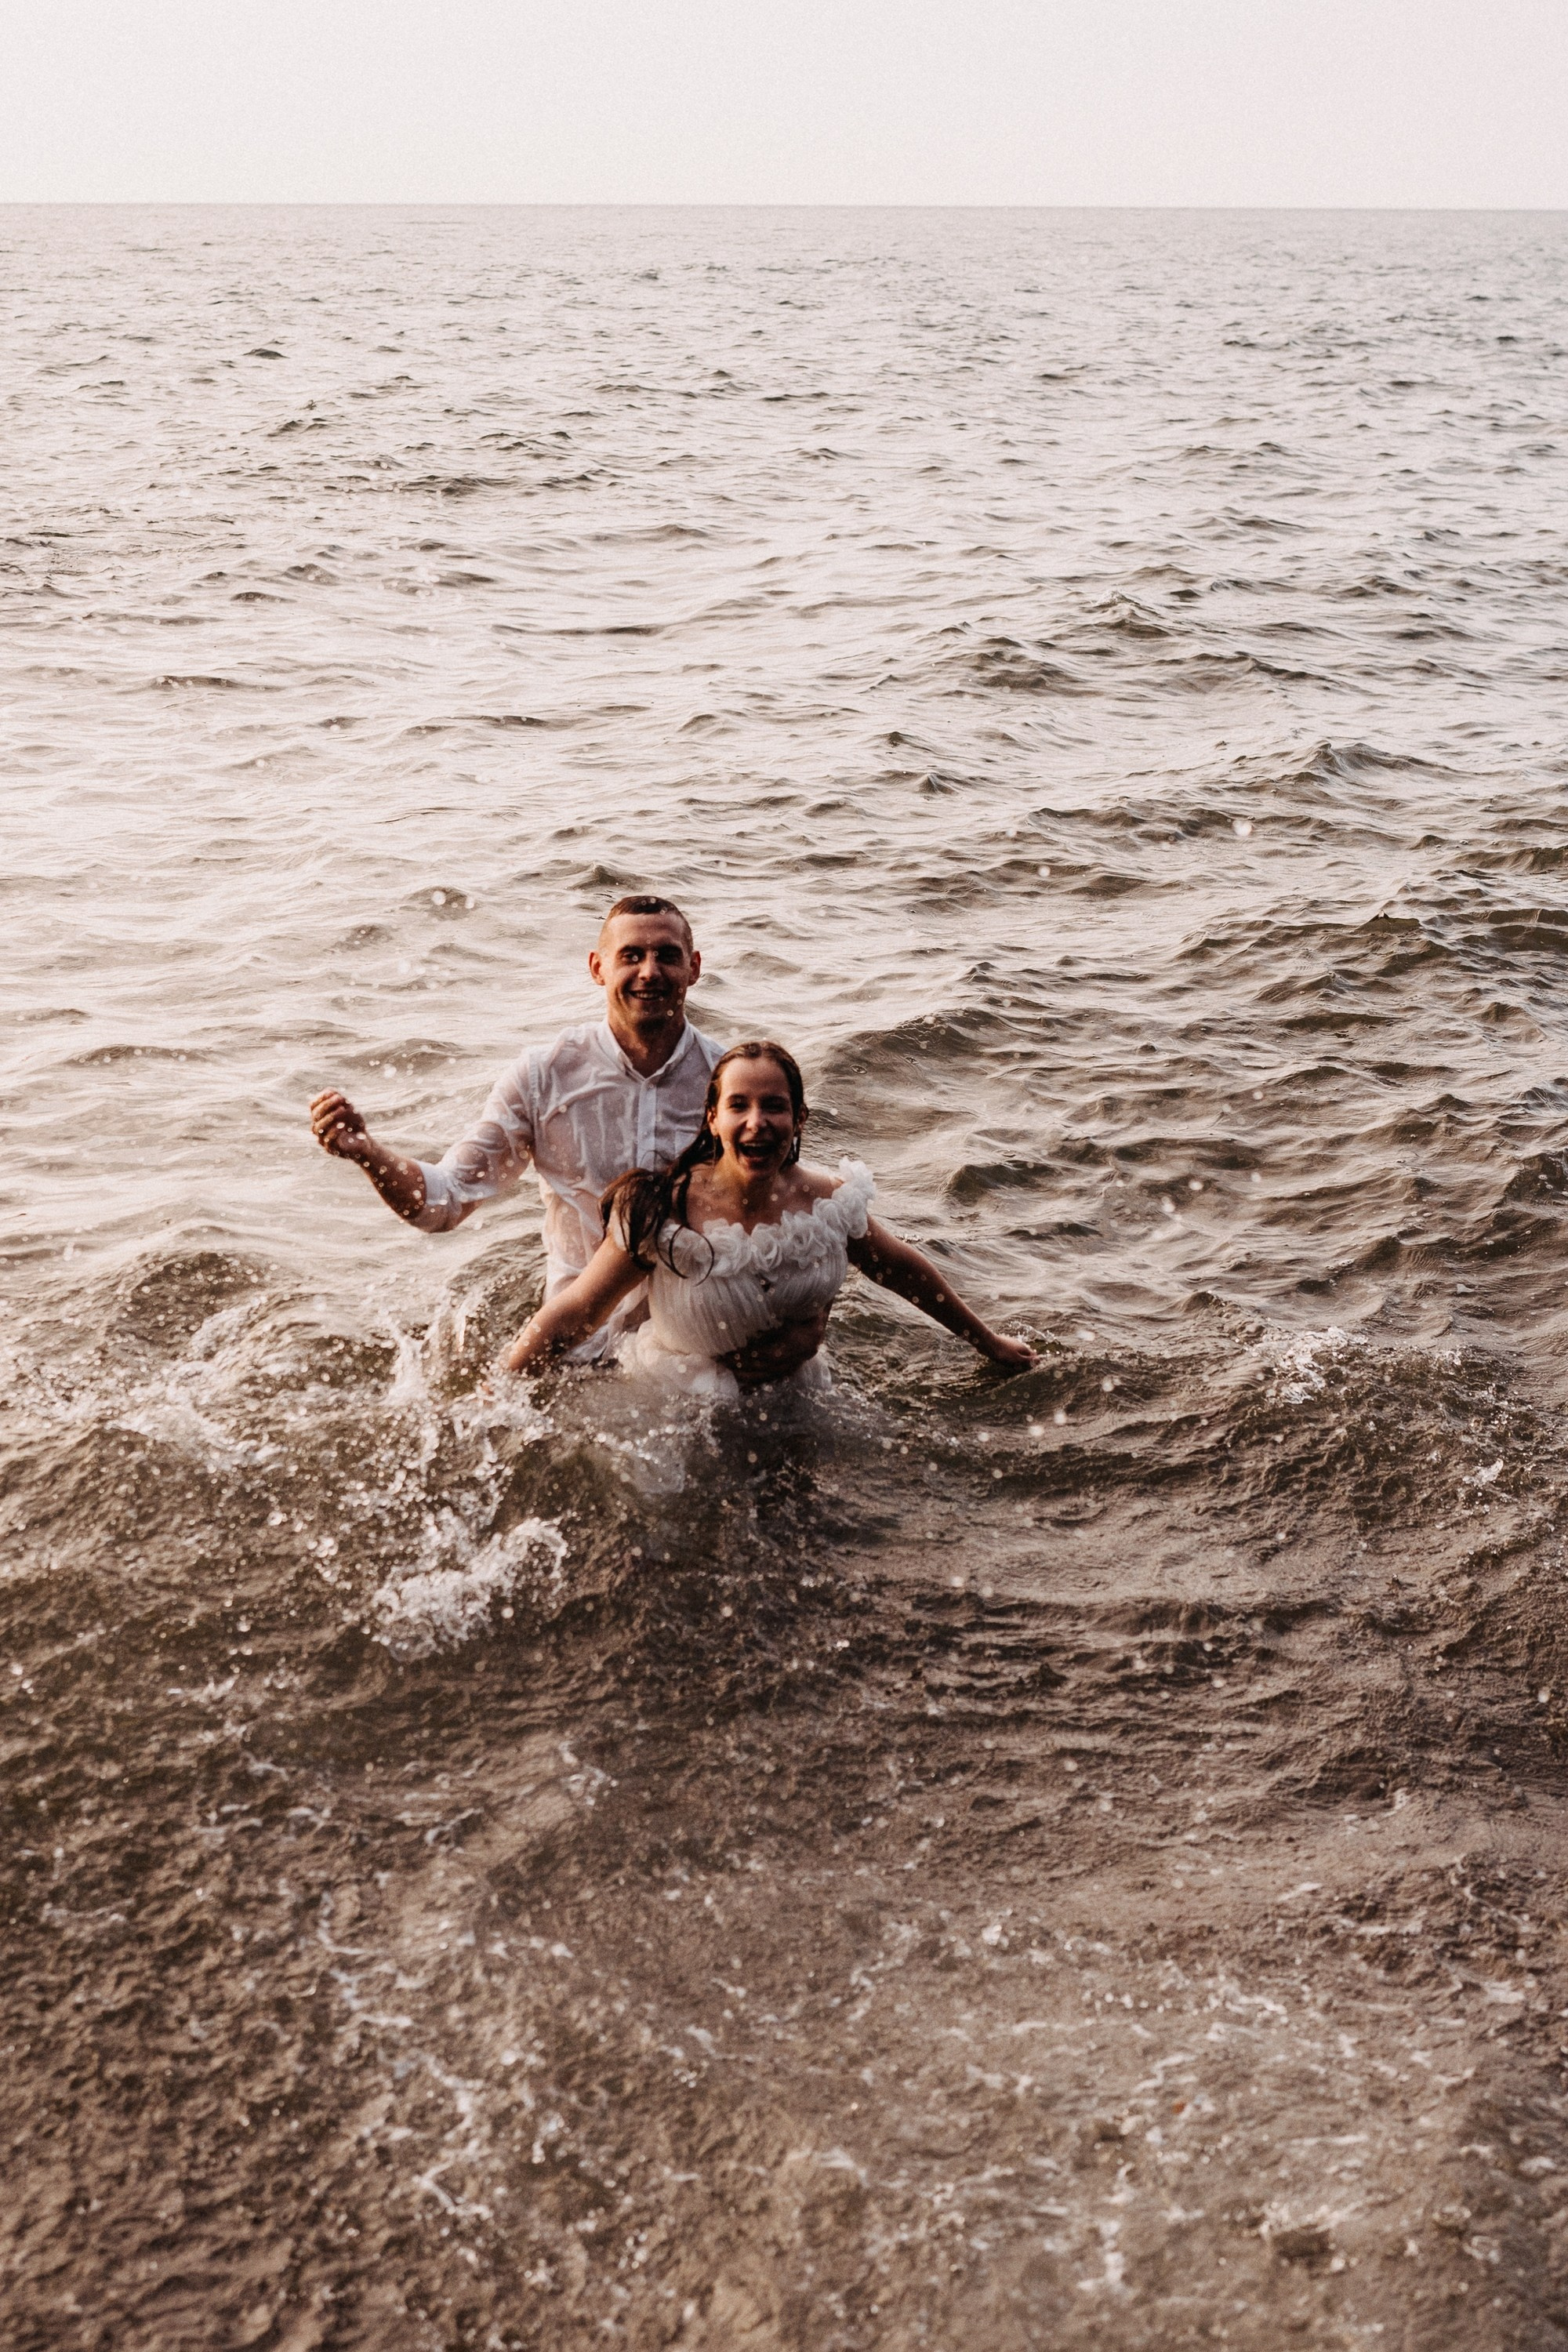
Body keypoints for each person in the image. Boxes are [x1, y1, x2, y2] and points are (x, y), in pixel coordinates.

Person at [309, 897, 820, 1377]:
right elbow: (443, 1203)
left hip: (701, 1347)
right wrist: (368, 1154)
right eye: (631, 956)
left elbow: (787, 1217)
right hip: (575, 1351)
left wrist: (807, 1329)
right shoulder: (543, 1078)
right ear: (598, 967)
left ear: (694, 967)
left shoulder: (730, 1090)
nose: (650, 971)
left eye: (667, 955)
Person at [502, 1040, 1036, 1400]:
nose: (757, 1122)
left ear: (799, 1118)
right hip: (675, 1409)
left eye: (774, 1106)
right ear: (713, 1118)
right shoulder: (660, 1209)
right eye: (739, 1105)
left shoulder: (828, 1202)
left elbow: (898, 1268)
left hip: (796, 1394)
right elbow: (577, 1310)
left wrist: (988, 1344)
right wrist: (499, 1389)